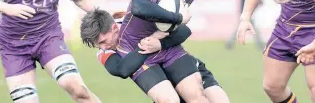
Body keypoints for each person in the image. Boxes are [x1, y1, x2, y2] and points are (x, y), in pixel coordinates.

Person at [79, 0, 276, 103]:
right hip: (143, 59)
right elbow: (139, 7)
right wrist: (176, 20)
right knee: (169, 100)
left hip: (171, 51)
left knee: (203, 98)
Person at [83, 9, 229, 103]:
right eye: (97, 44)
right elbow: (122, 70)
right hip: (163, 89)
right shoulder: (104, 53)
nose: (102, 47)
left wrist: (160, 44)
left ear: (114, 28)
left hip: (190, 71)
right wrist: (152, 39)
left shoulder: (137, 23)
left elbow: (184, 31)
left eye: (103, 41)